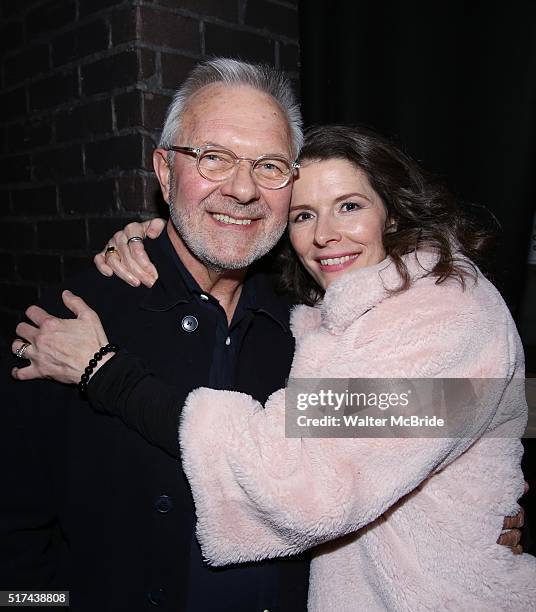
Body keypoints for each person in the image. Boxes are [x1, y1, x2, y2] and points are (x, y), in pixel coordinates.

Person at [11, 125, 535, 610]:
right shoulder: (319, 318)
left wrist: (107, 374)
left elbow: (305, 480)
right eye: (304, 214)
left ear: (392, 213)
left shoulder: (449, 317)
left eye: (349, 205)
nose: (325, 234)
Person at [1, 58, 310, 612]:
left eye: (269, 166)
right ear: (165, 173)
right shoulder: (71, 322)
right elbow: (12, 533)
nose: (242, 190)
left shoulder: (315, 325)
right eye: (213, 158)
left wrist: (468, 497)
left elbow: (436, 415)